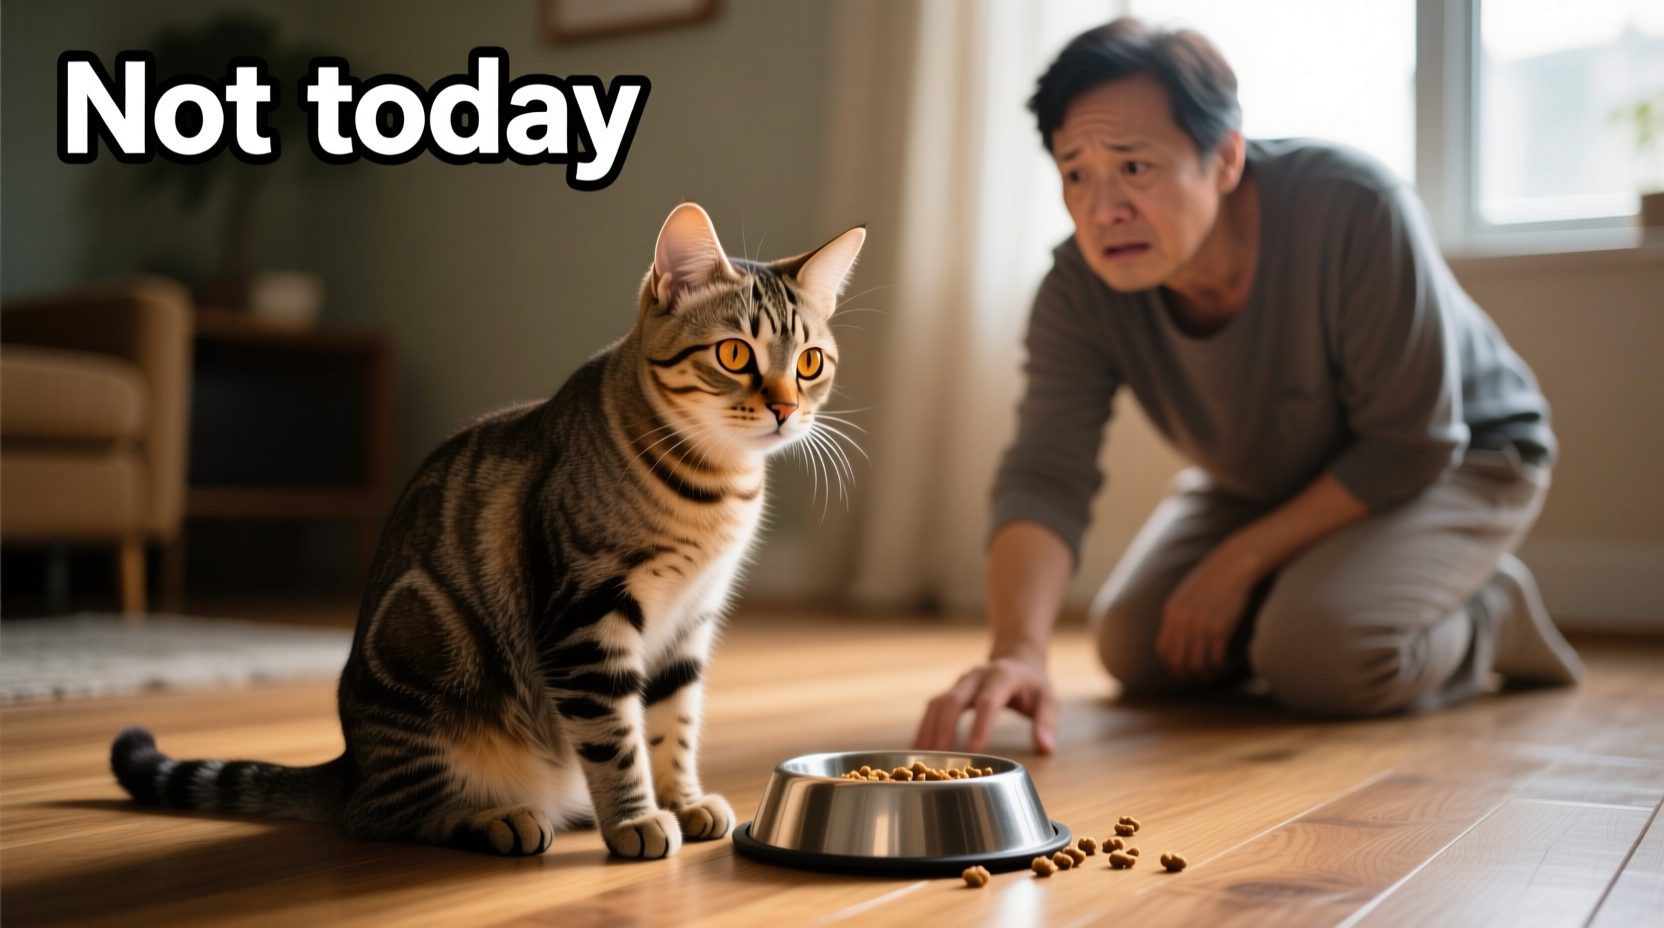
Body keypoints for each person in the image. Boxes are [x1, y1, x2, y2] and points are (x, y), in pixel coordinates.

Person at [912, 18, 1583, 756]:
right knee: (1137, 648)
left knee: (1322, 659)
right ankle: (1323, 591)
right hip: (1268, 474)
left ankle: (1490, 610)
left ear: (1225, 159)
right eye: (1077, 173)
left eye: (1135, 168)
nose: (1104, 211)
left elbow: (1411, 443)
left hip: (1460, 457)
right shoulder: (1079, 288)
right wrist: (1019, 650)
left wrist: (1241, 561)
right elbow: (1046, 476)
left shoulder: (1357, 207)